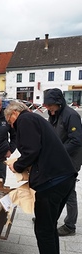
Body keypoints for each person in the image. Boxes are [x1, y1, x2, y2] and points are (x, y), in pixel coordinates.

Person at [5, 100, 77, 254]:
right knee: (49, 227)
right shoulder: (36, 119)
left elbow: (31, 150)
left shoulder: (25, 119)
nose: (13, 127)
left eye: (11, 122)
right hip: (64, 178)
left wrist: (16, 165)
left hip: (52, 182)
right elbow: (37, 149)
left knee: (43, 229)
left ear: (13, 114)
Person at [43, 88, 82, 236]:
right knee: (54, 187)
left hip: (70, 159)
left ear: (58, 102)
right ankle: (50, 218)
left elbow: (76, 140)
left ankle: (70, 225)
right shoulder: (54, 114)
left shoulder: (71, 115)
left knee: (68, 191)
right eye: (46, 105)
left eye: (49, 105)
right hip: (58, 158)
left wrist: (58, 152)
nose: (47, 108)